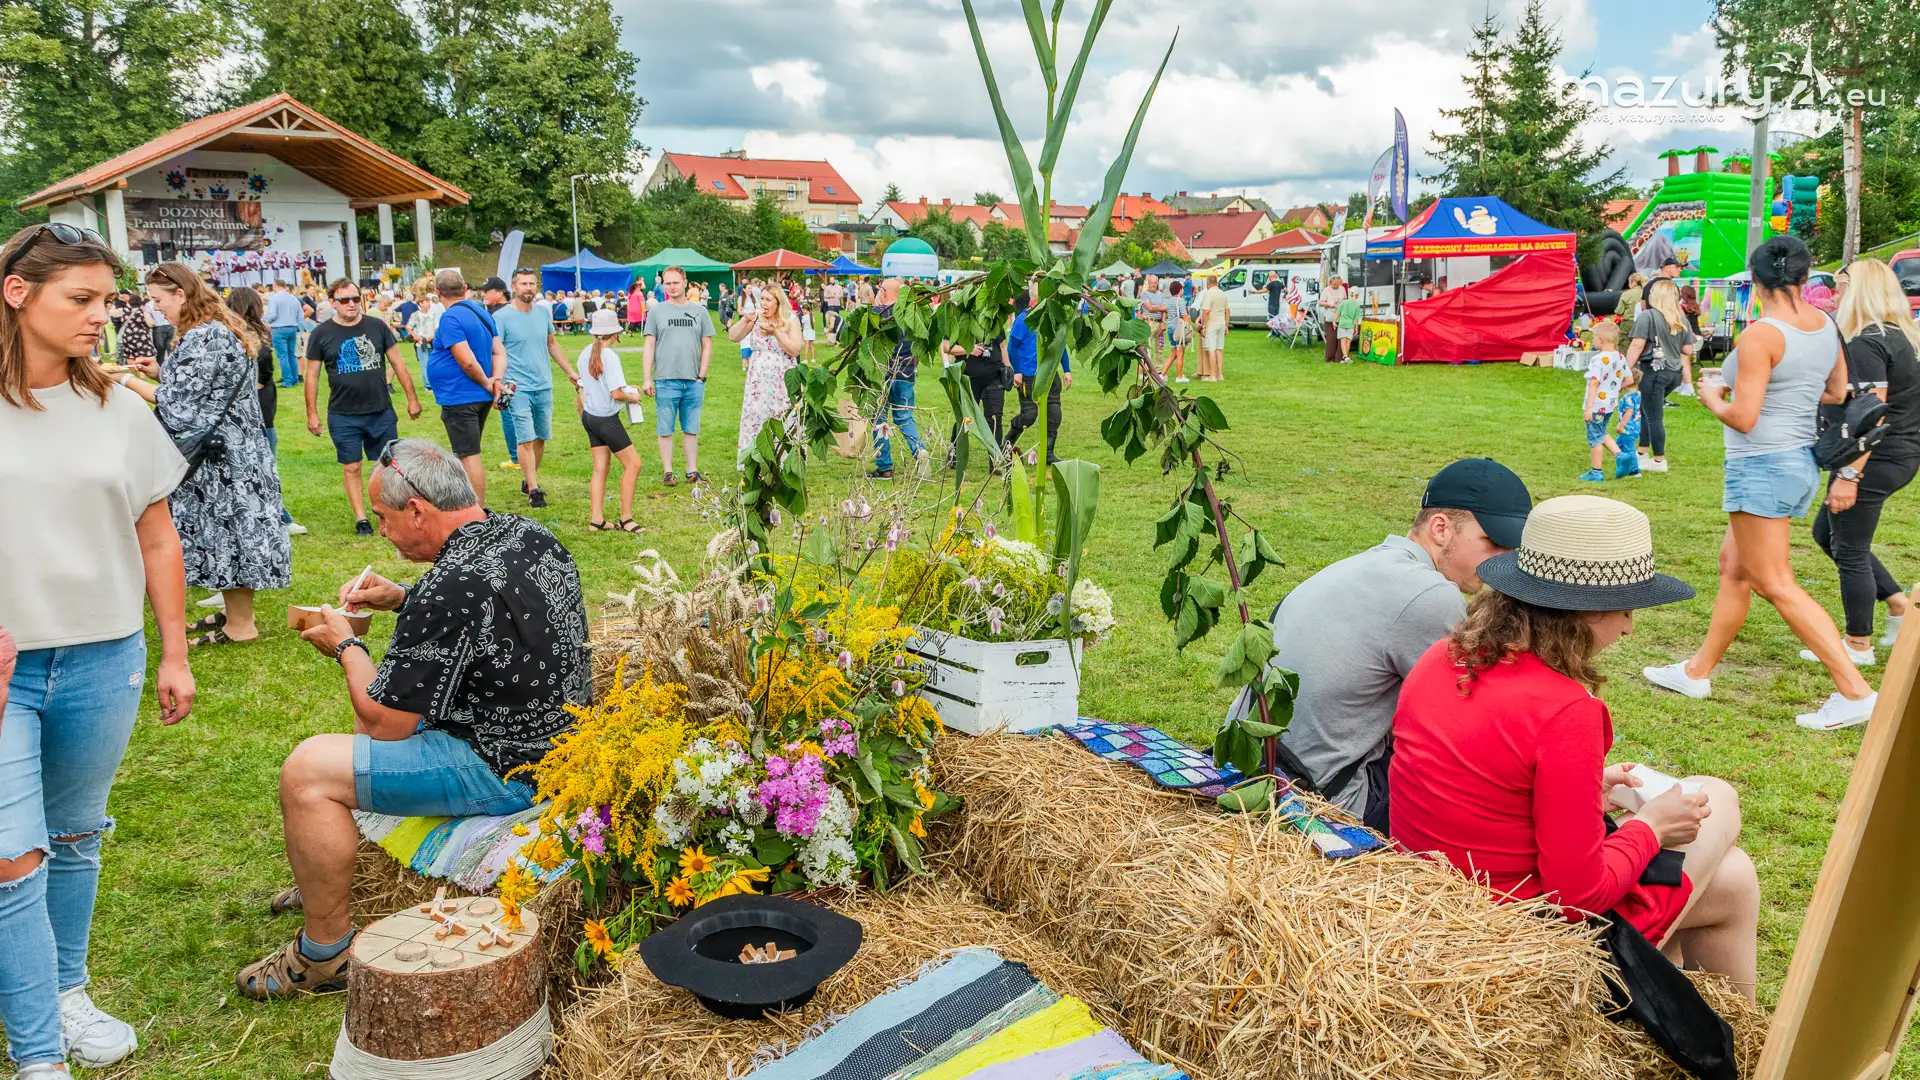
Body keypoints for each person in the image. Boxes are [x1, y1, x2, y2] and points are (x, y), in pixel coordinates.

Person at [238, 439, 589, 1001]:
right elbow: (481, 602)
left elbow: (386, 724)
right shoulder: (528, 534)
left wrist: (345, 646)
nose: (381, 530)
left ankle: (325, 955)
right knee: (347, 746)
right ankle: (328, 874)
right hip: (560, 746)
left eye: (383, 517)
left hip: (508, 769)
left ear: (418, 510)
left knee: (307, 772)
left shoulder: (450, 588)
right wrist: (403, 596)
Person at [1391, 495, 1758, 999]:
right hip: (1527, 934)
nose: (1629, 626)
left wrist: (1585, 790)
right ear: (1587, 611)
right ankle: (1701, 1021)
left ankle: (1701, 1027)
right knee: (1718, 799)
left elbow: (1479, 778)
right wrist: (1652, 827)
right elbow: (1578, 898)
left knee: (1735, 881)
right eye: (1626, 609)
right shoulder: (1566, 711)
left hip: (1439, 901)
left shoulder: (1441, 657)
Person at [0, 223, 196, 1075]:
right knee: (13, 860)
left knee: (76, 836)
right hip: (6, 668)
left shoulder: (121, 409)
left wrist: (175, 651)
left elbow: (158, 537)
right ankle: (39, 1053)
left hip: (103, 658)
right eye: (81, 299)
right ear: (17, 293)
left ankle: (67, 990)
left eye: (108, 302)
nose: (102, 318)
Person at [1644, 236, 1877, 731]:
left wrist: (1712, 395)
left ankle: (1855, 691)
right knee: (1734, 568)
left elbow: (1744, 417)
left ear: (1755, 280)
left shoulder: (1761, 335)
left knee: (1775, 582)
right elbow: (1836, 390)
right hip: (1797, 462)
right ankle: (1696, 672)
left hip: (1762, 465)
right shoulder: (1826, 325)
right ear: (1805, 276)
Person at [1227, 458, 1534, 830]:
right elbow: (1469, 723)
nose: (1503, 559)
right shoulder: (1430, 594)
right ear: (1441, 528)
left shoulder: (1358, 566)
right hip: (1318, 800)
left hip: (1250, 768)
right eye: (1493, 542)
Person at [115, 263, 291, 648]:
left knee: (230, 532)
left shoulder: (204, 335)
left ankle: (241, 625)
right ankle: (234, 613)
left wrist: (124, 380)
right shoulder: (217, 327)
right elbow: (204, 387)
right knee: (228, 532)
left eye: (159, 299)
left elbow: (179, 406)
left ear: (181, 293)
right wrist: (158, 371)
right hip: (234, 450)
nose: (156, 307)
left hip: (222, 457)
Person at [1809, 258, 1920, 665]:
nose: (1834, 296)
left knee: (1850, 549)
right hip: (1900, 453)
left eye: (1840, 288)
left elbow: (1872, 414)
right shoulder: (1904, 338)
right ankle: (1897, 604)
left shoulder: (1868, 342)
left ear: (1857, 292)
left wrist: (1850, 474)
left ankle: (1858, 644)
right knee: (1827, 534)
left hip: (1875, 457)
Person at [303, 279, 424, 534]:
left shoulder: (376, 326)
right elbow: (311, 376)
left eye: (355, 299)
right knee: (352, 466)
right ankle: (361, 518)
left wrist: (412, 398)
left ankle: (389, 513)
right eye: (344, 300)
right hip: (343, 414)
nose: (351, 304)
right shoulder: (321, 334)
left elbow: (398, 364)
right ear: (333, 302)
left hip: (380, 410)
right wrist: (311, 413)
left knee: (388, 465)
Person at [495, 269, 582, 509]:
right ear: (514, 287)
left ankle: (528, 479)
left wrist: (570, 372)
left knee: (541, 438)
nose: (529, 288)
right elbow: (496, 352)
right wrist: (497, 382)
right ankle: (534, 490)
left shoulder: (543, 313)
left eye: (532, 283)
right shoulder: (501, 317)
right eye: (523, 283)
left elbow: (551, 344)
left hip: (543, 385)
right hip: (517, 387)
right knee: (525, 438)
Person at [228, 288, 307, 536]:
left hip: (259, 413)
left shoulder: (241, 336)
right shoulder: (249, 339)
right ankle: (279, 517)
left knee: (259, 468)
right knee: (263, 469)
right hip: (258, 414)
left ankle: (273, 515)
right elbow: (260, 379)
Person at [425, 269, 507, 504]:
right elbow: (499, 352)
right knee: (467, 453)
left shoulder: (450, 318)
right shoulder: (481, 312)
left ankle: (474, 511)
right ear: (464, 288)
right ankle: (468, 505)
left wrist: (488, 382)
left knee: (468, 455)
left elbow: (466, 361)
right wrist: (496, 380)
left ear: (437, 292)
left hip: (461, 395)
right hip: (478, 395)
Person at [640, 266, 714, 487]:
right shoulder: (656, 311)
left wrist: (701, 375)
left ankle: (692, 471)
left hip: (693, 380)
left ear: (685, 283)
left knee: (691, 428)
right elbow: (649, 344)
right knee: (665, 428)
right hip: (665, 378)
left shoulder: (700, 312)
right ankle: (668, 471)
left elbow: (707, 344)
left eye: (675, 282)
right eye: (667, 283)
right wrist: (647, 378)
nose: (672, 287)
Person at [577, 309, 644, 533]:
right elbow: (615, 394)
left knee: (600, 469)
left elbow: (596, 385)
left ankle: (596, 520)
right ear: (615, 333)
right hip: (606, 419)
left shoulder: (585, 353)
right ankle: (626, 519)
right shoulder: (610, 357)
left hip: (590, 416)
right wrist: (633, 396)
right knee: (633, 464)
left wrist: (626, 388)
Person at [1628, 278, 1697, 473]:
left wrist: (1625, 369)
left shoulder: (1648, 316)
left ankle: (1659, 460)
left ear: (1656, 296)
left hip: (1654, 371)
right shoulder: (1681, 320)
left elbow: (1637, 345)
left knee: (1654, 416)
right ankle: (1642, 452)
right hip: (1674, 372)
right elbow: (1688, 350)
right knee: (1647, 410)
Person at [730, 280, 804, 457]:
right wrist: (745, 319)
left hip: (782, 380)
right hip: (758, 381)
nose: (763, 303)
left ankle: (783, 460)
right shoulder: (757, 318)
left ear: (778, 302)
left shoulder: (790, 319)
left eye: (768, 300)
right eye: (762, 299)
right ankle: (756, 459)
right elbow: (733, 336)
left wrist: (776, 332)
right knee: (756, 416)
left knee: (782, 415)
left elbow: (795, 350)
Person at [869, 277, 927, 481]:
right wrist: (912, 368)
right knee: (904, 417)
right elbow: (917, 347)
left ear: (883, 292)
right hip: (906, 372)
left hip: (880, 374)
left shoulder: (876, 314)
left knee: (879, 419)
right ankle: (919, 450)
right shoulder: (909, 314)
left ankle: (884, 467)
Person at [1005, 290, 1071, 464]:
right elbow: (1012, 347)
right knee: (1029, 415)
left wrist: (1067, 370)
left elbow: (1060, 345)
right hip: (1028, 374)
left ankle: (1048, 452)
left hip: (1049, 373)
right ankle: (1008, 442)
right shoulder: (1024, 319)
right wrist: (1017, 371)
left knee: (1054, 413)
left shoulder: (1052, 318)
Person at [1580, 322, 1631, 482]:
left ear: (1601, 340)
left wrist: (1589, 408)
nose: (1593, 340)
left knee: (1594, 438)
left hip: (1596, 405)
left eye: (1594, 337)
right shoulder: (1620, 357)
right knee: (1600, 431)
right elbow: (1629, 379)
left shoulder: (1598, 359)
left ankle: (1596, 472)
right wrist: (1615, 391)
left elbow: (1594, 382)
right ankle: (1620, 455)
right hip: (1609, 405)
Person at [265, 279, 305, 388]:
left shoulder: (274, 298)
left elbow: (272, 315)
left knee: (283, 356)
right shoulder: (294, 298)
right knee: (292, 355)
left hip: (279, 329)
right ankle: (295, 379)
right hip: (292, 328)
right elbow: (300, 316)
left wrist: (264, 319)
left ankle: (287, 381)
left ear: (274, 286)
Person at [1195, 273, 1230, 380]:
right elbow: (1227, 311)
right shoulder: (1223, 294)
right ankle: (1220, 374)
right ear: (1217, 283)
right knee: (1219, 349)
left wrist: (1204, 326)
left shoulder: (1208, 294)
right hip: (1221, 323)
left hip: (1212, 323)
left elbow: (1206, 311)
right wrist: (1226, 325)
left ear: (1208, 283)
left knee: (1211, 349)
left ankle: (1212, 375)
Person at [1613, 362, 1643, 480]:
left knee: (1629, 449)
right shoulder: (1638, 394)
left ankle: (1634, 471)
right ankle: (1623, 466)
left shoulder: (1627, 397)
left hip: (1627, 428)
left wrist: (1621, 425)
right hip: (1635, 426)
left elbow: (1629, 412)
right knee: (1618, 445)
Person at [1161, 280, 1192, 383]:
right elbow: (1185, 316)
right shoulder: (1181, 301)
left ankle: (1163, 374)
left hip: (1170, 328)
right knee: (1180, 354)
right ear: (1180, 289)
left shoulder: (1168, 301)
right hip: (1178, 330)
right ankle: (1179, 377)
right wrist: (1190, 328)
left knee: (1173, 354)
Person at [1139, 274, 1168, 373]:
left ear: (1157, 283)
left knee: (1160, 347)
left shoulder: (1161, 294)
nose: (1153, 284)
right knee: (1148, 347)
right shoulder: (1144, 294)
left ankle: (1158, 369)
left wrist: (1163, 322)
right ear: (1148, 283)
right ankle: (1147, 369)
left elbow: (1165, 309)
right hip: (1149, 323)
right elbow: (1150, 308)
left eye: (1155, 283)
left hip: (1160, 323)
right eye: (1151, 282)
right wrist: (1161, 308)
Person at [1317, 276, 1348, 364]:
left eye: (1337, 284)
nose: (1335, 286)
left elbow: (1345, 300)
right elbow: (1320, 302)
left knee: (1341, 338)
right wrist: (1328, 304)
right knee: (1331, 338)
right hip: (1330, 317)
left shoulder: (1342, 289)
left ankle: (1340, 358)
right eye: (1333, 284)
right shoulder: (1326, 290)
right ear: (1330, 283)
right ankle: (1330, 358)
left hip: (1341, 316)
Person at [1334, 288, 1361, 362]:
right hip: (1350, 325)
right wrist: (1356, 328)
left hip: (1342, 323)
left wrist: (1334, 321)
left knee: (1343, 340)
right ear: (1357, 295)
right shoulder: (1357, 305)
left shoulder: (1343, 302)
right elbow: (1356, 318)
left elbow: (1338, 313)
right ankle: (1345, 357)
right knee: (1348, 341)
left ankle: (1345, 357)